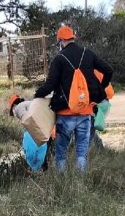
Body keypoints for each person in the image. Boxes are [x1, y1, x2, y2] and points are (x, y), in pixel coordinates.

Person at [34, 26, 113, 171]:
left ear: (61, 41)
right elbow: (108, 70)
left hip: (65, 114)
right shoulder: (88, 53)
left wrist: (36, 95)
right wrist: (101, 87)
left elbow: (50, 85)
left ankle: (62, 182)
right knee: (82, 153)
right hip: (85, 112)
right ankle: (80, 182)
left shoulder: (59, 59)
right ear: (73, 37)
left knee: (61, 153)